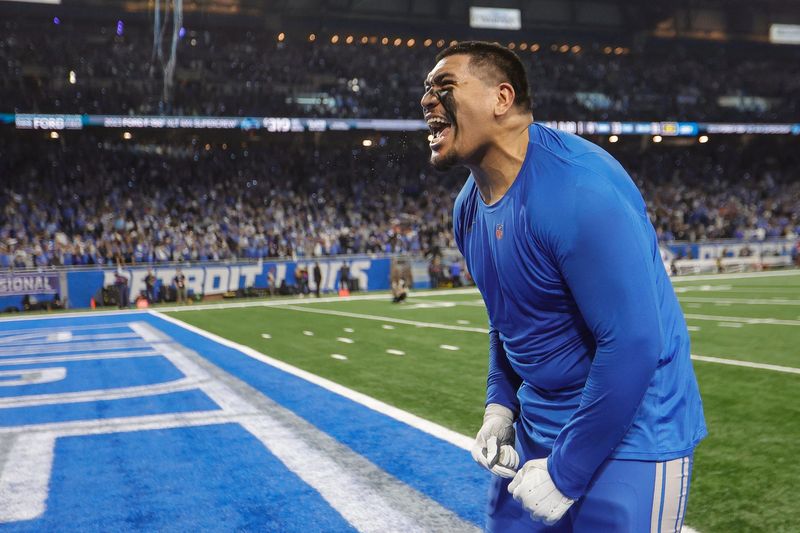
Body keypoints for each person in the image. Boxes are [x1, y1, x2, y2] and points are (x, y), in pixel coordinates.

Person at [421, 41, 706, 532]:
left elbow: (634, 344)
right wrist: (499, 405)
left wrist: (568, 470)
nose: (427, 100)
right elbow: (508, 321)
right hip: (539, 428)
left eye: (444, 86)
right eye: (426, 90)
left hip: (634, 434)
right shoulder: (467, 208)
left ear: (501, 98)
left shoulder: (579, 190)